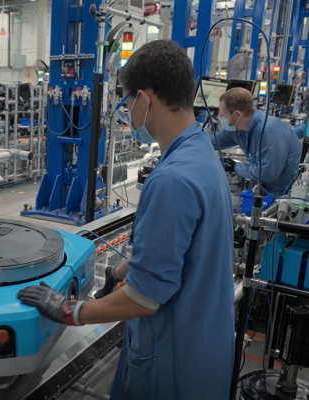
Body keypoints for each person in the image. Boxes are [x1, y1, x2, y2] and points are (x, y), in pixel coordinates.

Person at [18, 40, 234, 400]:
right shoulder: (200, 153)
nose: (126, 111)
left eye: (126, 100)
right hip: (204, 351)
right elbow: (179, 251)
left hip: (170, 366)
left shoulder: (171, 181)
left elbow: (144, 300)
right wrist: (118, 272)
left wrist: (71, 310)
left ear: (145, 99)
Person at [211, 88, 301, 196]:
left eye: (222, 115)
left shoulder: (269, 131)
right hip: (264, 190)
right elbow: (211, 143)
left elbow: (268, 173)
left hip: (284, 195)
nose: (220, 118)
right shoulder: (236, 129)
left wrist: (234, 166)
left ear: (237, 115)